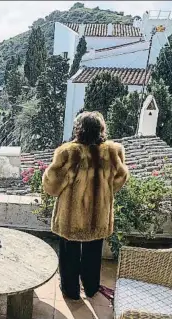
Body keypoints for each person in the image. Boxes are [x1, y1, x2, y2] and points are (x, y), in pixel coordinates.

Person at [42, 111, 129, 300]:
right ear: (101, 129)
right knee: (93, 253)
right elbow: (121, 177)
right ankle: (91, 288)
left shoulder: (68, 152)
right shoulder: (113, 151)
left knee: (68, 253)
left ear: (78, 129)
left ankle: (70, 290)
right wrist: (105, 191)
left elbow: (51, 185)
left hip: (71, 215)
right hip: (99, 214)